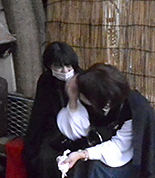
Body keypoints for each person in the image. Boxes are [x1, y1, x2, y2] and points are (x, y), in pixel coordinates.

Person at [57, 63, 155, 178]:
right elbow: (76, 132)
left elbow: (118, 147)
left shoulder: (136, 109)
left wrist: (83, 154)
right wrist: (72, 101)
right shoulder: (96, 100)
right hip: (101, 148)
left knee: (95, 168)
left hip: (127, 158)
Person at [23, 42, 81, 178]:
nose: (65, 71)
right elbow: (38, 114)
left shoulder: (82, 79)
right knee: (44, 159)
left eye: (68, 66)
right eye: (58, 66)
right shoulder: (46, 80)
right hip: (54, 132)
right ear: (49, 66)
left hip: (79, 132)